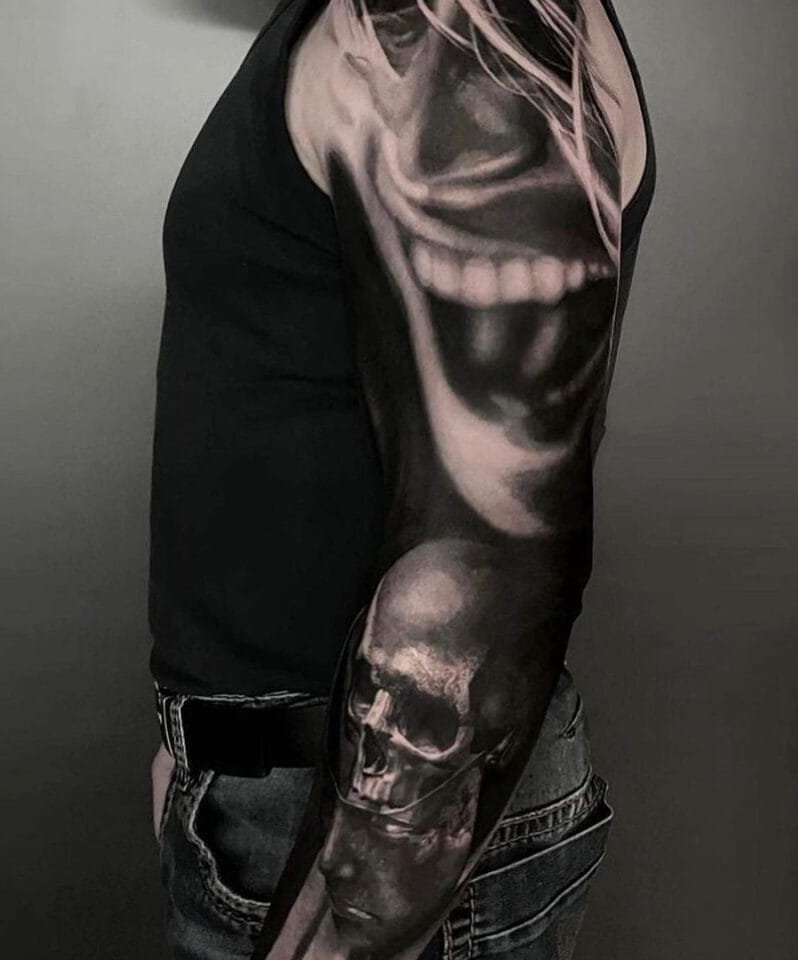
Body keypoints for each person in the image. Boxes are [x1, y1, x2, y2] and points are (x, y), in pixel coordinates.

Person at [148, 1, 655, 958]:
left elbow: (493, 562)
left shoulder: (461, 27)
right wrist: (202, 750)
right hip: (285, 789)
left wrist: (350, 912)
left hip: (371, 822)